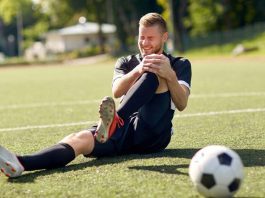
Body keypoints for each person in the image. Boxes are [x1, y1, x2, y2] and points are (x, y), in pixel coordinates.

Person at [0, 12, 191, 178]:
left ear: (164, 37)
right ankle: (21, 163)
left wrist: (170, 75)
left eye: (151, 38)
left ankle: (115, 120)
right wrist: (138, 70)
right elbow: (117, 91)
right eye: (142, 37)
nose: (145, 43)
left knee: (156, 71)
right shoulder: (126, 61)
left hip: (152, 133)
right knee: (79, 138)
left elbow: (182, 104)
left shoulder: (180, 64)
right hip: (123, 129)